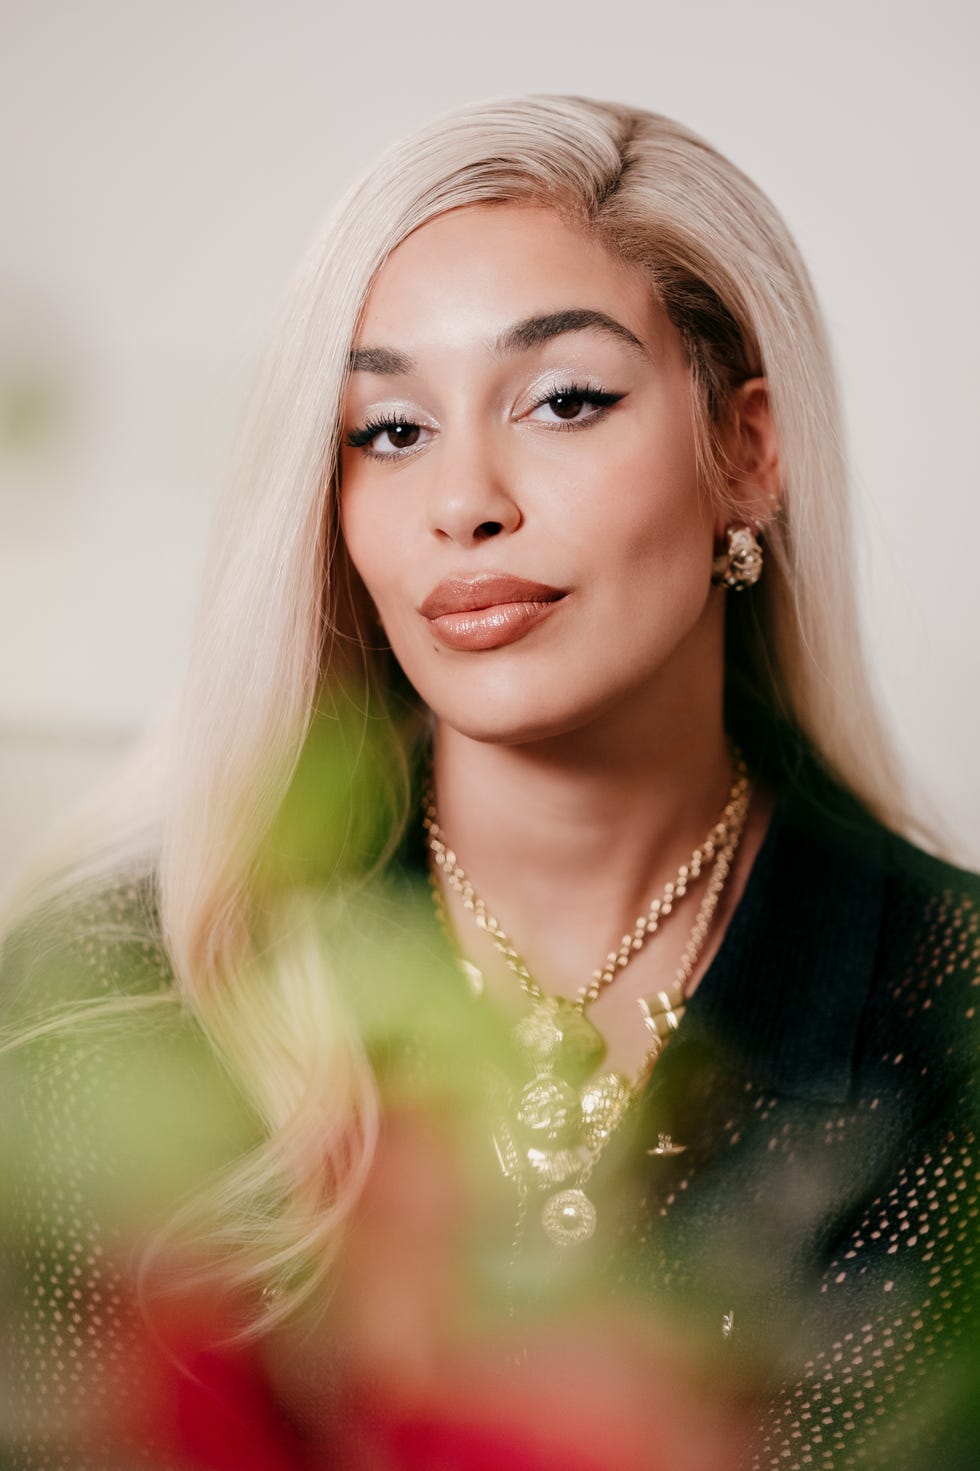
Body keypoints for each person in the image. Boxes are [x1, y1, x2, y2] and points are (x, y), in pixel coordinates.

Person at [1, 94, 978, 1470]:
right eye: (389, 429)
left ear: (747, 451)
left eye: (566, 400)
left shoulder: (959, 1021)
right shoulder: (114, 1000)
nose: (466, 499)